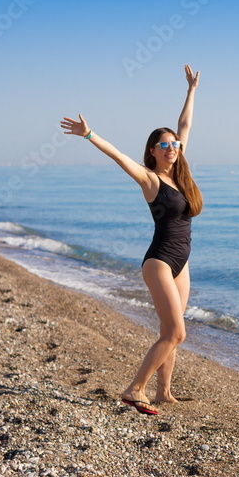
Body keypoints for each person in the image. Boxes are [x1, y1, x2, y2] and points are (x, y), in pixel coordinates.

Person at [60, 64, 203, 416]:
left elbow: (184, 125)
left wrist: (191, 90)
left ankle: (163, 392)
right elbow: (118, 156)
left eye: (174, 144)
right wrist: (90, 134)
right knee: (176, 333)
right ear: (152, 151)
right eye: (163, 144)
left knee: (170, 329)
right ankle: (134, 389)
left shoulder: (181, 175)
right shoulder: (149, 179)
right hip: (159, 261)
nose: (171, 147)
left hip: (181, 261)